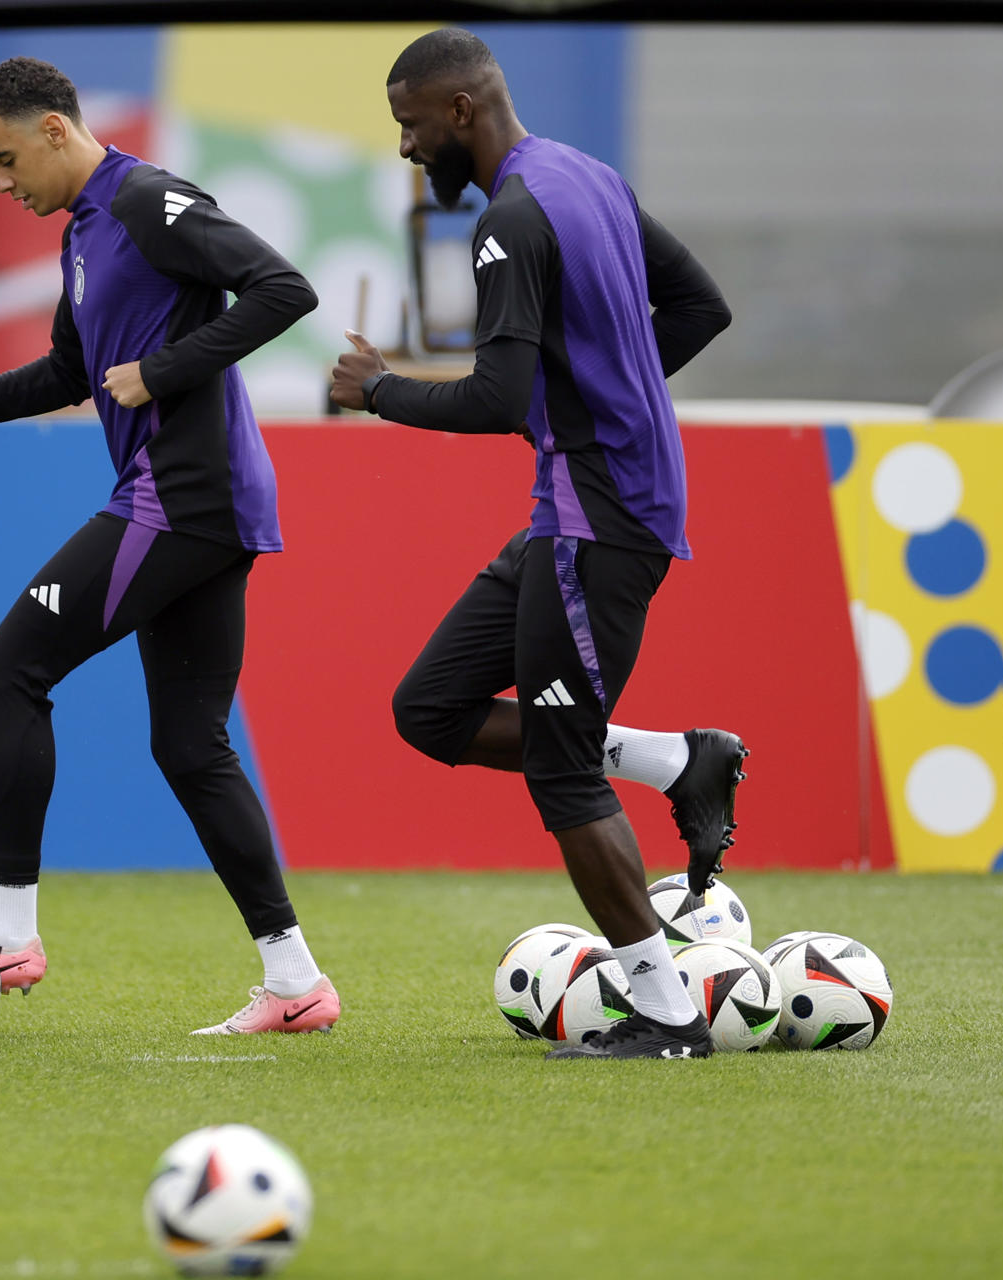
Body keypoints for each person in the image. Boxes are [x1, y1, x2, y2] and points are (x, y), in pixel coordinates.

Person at [331, 29, 744, 1060]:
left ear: (458, 111)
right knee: (430, 708)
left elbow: (496, 396)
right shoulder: (585, 177)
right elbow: (700, 306)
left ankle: (665, 1011)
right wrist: (611, 394)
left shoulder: (510, 220)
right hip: (580, 512)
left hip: (596, 523)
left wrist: (377, 391)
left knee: (563, 772)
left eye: (410, 125)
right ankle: (677, 758)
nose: (407, 150)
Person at [0, 57, 338, 1036]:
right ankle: (296, 980)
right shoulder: (85, 236)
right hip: (196, 502)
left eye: (8, 158)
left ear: (57, 129)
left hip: (183, 499)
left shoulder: (148, 199)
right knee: (190, 744)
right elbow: (72, 367)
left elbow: (283, 286)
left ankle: (10, 930)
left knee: (8, 667)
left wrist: (168, 369)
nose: (3, 183)